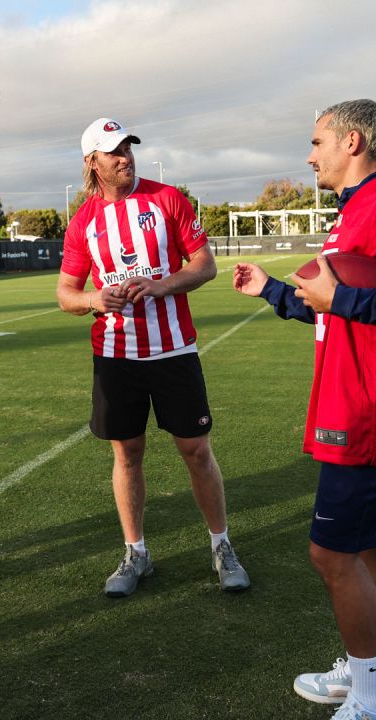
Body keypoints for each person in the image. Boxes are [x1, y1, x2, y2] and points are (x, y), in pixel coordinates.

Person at [233, 99, 376, 720]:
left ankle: (372, 699)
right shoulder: (357, 209)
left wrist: (344, 298)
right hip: (358, 397)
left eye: (317, 142)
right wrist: (275, 290)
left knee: (331, 554)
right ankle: (364, 673)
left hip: (371, 408)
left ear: (352, 141)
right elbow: (335, 299)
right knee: (370, 545)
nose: (309, 155)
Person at [56, 117, 251, 598]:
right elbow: (66, 293)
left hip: (173, 349)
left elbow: (205, 264)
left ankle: (222, 546)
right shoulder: (83, 222)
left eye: (127, 146)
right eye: (112, 150)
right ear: (92, 163)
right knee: (127, 453)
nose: (125, 156)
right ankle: (135, 552)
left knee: (196, 449)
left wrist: (163, 285)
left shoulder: (168, 200)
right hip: (115, 356)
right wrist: (94, 301)